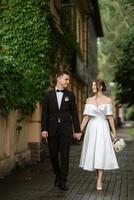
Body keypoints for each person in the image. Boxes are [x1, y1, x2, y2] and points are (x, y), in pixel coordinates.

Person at [41, 71, 81, 191]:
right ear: (58, 79)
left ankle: (63, 180)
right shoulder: (48, 95)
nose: (68, 82)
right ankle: (58, 174)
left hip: (65, 130)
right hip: (52, 130)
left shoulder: (70, 95)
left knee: (65, 156)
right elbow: (44, 114)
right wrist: (44, 129)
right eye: (66, 79)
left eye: (68, 80)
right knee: (53, 155)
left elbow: (74, 114)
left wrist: (77, 130)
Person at [79, 79, 119, 191]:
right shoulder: (88, 100)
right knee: (95, 153)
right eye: (92, 85)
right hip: (91, 129)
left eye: (94, 85)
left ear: (101, 86)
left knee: (100, 152)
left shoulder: (108, 100)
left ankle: (99, 180)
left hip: (103, 128)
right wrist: (79, 131)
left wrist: (114, 132)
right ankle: (99, 177)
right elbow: (86, 117)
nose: (92, 87)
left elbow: (110, 117)